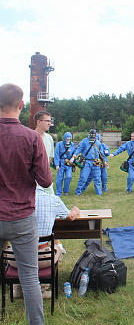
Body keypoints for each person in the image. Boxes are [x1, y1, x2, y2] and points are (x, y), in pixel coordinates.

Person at [0, 83, 52, 325]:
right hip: (22, 216)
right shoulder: (32, 138)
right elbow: (45, 180)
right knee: (30, 277)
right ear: (21, 106)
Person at [9, 186, 80, 298]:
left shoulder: (14, 200)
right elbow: (71, 216)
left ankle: (17, 288)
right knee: (59, 247)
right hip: (42, 258)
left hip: (15, 258)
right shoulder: (53, 200)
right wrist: (75, 210)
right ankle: (41, 289)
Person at [70, 129, 103, 196]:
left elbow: (101, 153)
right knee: (83, 178)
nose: (92, 138)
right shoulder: (84, 141)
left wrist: (104, 161)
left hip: (96, 163)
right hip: (87, 162)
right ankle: (78, 192)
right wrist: (74, 156)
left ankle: (99, 193)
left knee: (97, 179)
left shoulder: (98, 143)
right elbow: (79, 149)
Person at [34, 110, 55, 195]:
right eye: (47, 121)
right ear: (39, 122)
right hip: (32, 179)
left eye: (50, 121)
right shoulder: (30, 138)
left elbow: (49, 159)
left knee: (51, 200)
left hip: (45, 179)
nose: (49, 123)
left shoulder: (49, 138)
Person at [54, 132, 76, 196]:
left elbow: (74, 152)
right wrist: (57, 164)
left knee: (68, 177)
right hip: (61, 162)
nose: (68, 141)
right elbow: (57, 155)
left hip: (69, 163)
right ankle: (58, 193)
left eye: (69, 139)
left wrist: (73, 158)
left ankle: (66, 191)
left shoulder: (72, 145)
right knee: (59, 178)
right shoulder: (59, 144)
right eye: (66, 139)